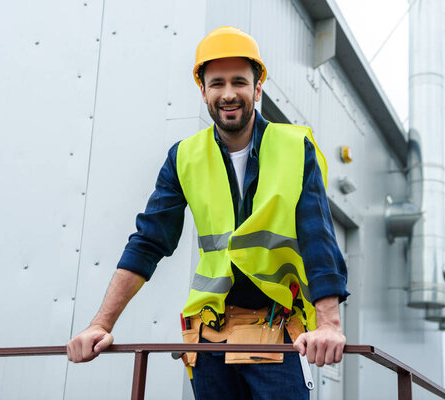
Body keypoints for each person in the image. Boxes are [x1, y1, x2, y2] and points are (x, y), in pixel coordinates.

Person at [67, 26, 349, 399]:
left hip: (275, 331)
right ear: (203, 91)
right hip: (209, 335)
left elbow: (317, 237)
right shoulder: (184, 157)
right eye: (217, 83)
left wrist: (329, 323)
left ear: (257, 88)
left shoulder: (295, 148)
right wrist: (100, 324)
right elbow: (149, 241)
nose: (228, 94)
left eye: (239, 82)